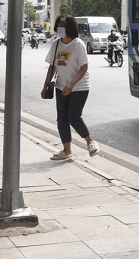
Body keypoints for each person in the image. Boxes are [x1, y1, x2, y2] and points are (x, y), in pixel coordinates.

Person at [42, 15, 99, 161]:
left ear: (70, 28)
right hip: (61, 86)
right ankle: (67, 151)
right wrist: (45, 86)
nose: (60, 28)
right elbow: (52, 67)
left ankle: (90, 141)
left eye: (63, 26)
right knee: (61, 119)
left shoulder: (78, 44)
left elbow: (84, 67)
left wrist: (72, 84)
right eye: (58, 25)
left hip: (79, 86)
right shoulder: (56, 44)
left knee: (73, 116)